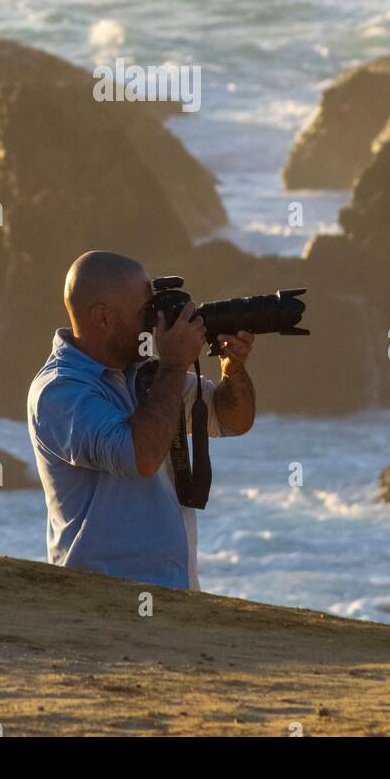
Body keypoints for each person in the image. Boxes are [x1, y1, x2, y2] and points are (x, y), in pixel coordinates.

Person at [27, 250, 255, 590]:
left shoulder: (144, 375)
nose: (154, 322)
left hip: (173, 591)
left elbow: (231, 418)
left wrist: (232, 369)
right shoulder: (60, 392)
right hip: (100, 599)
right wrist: (174, 365)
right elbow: (139, 457)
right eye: (144, 311)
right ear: (103, 318)